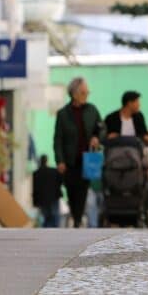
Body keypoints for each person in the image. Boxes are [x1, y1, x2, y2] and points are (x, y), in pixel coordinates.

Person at [53, 76, 105, 228]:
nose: (86, 95)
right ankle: (76, 216)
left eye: (87, 92)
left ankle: (77, 219)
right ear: (74, 94)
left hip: (87, 159)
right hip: (69, 161)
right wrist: (60, 160)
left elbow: (101, 128)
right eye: (83, 92)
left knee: (83, 190)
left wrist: (97, 138)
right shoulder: (63, 114)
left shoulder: (92, 110)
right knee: (71, 190)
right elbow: (58, 139)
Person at [32, 155, 64, 228]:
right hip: (54, 197)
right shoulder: (54, 171)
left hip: (42, 199)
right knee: (55, 217)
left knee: (46, 218)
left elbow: (35, 188)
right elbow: (60, 182)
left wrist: (35, 202)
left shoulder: (36, 173)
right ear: (47, 161)